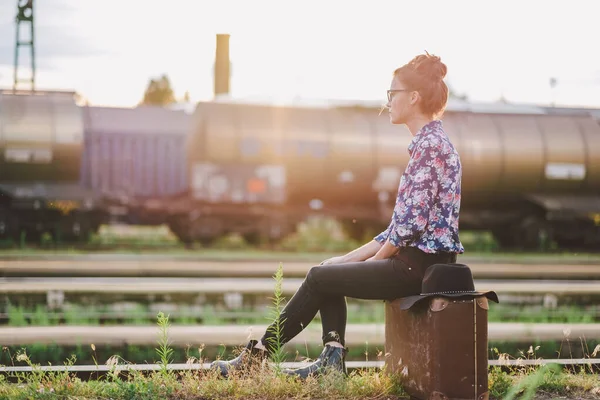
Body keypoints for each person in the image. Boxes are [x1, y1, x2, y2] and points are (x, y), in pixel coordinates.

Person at [210, 52, 465, 379]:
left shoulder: (429, 146)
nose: (388, 102)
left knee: (320, 279)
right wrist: (346, 260)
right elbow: (397, 228)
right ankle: (330, 359)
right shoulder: (432, 142)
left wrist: (372, 263)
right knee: (328, 272)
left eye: (393, 94)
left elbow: (409, 228)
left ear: (413, 97)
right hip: (423, 261)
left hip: (419, 265)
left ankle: (256, 359)